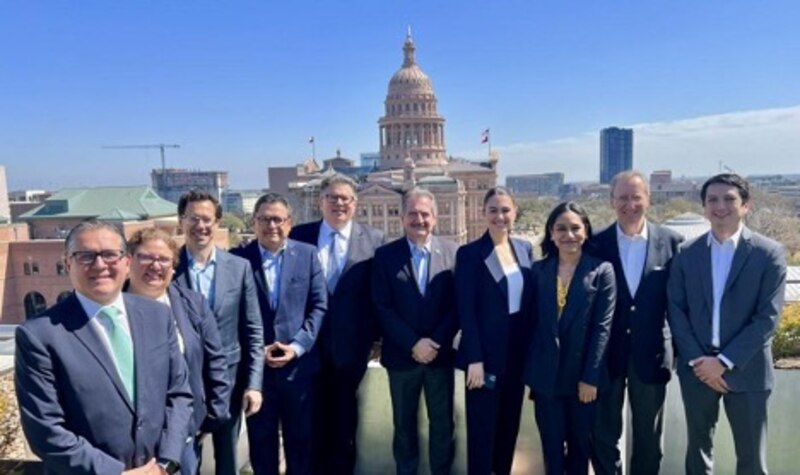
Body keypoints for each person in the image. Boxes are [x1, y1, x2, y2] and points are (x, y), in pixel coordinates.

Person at [15, 220, 192, 475]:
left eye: (110, 254)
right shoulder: (40, 335)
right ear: (67, 264)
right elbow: (45, 429)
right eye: (85, 256)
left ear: (127, 262)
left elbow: (179, 395)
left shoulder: (157, 316)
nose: (99, 265)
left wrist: (166, 463)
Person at [667, 173, 786, 475]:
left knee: (751, 462)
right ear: (705, 207)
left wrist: (723, 362)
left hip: (748, 372)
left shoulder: (768, 253)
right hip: (697, 372)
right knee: (698, 455)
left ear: (745, 205)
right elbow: (676, 311)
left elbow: (767, 318)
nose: (720, 206)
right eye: (712, 200)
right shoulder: (686, 253)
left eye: (729, 199)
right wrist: (699, 361)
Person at [289, 174, 385, 474]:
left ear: (355, 204)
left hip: (351, 350)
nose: (339, 204)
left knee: (344, 426)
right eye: (332, 197)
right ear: (321, 202)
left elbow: (378, 295)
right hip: (306, 348)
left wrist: (378, 340)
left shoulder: (374, 239)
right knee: (307, 423)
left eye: (345, 198)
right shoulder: (299, 236)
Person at [590, 171, 683, 475]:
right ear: (611, 201)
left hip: (653, 354)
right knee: (603, 436)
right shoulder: (595, 245)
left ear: (648, 199)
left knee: (648, 439)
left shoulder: (672, 242)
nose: (629, 204)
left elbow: (680, 305)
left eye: (636, 197)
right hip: (606, 356)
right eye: (622, 198)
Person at [231, 193, 327, 475]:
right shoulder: (238, 259)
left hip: (298, 369)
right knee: (261, 446)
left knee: (301, 443)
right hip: (256, 373)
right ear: (254, 222)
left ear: (289, 223)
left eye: (278, 219)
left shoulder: (307, 254)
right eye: (264, 219)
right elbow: (231, 314)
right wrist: (253, 350)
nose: (271, 225)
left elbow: (319, 306)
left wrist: (297, 347)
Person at [127, 227, 232, 475]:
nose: (155, 265)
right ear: (128, 261)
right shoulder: (111, 310)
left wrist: (211, 418)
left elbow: (216, 361)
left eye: (163, 259)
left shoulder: (193, 305)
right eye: (146, 257)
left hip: (183, 432)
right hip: (130, 439)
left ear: (173, 268)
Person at [173, 190, 264, 475]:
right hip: (180, 382)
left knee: (227, 457)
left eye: (207, 219)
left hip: (228, 379)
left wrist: (254, 383)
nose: (200, 226)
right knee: (186, 457)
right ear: (181, 221)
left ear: (217, 223)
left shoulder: (239, 268)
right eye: (193, 219)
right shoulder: (166, 268)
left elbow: (253, 329)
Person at [523, 202, 615, 475]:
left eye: (575, 228)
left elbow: (602, 328)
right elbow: (531, 326)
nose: (569, 235)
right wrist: (533, 374)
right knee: (552, 451)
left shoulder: (602, 270)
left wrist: (591, 378)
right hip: (546, 380)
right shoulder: (538, 271)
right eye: (561, 228)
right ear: (551, 233)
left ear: (586, 231)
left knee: (579, 451)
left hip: (582, 380)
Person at [372, 188, 459, 475]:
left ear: (434, 218)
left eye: (425, 214)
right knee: (404, 426)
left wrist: (434, 341)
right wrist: (413, 343)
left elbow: (457, 306)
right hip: (401, 358)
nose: (419, 219)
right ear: (402, 218)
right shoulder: (385, 256)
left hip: (440, 356)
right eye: (412, 213)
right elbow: (382, 307)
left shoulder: (453, 253)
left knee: (443, 425)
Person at [454, 186, 533, 475]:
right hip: (484, 360)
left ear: (515, 213)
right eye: (493, 210)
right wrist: (474, 358)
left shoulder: (524, 249)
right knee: (482, 432)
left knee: (508, 428)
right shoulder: (470, 254)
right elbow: (466, 309)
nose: (500, 216)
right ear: (483, 213)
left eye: (505, 210)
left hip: (516, 357)